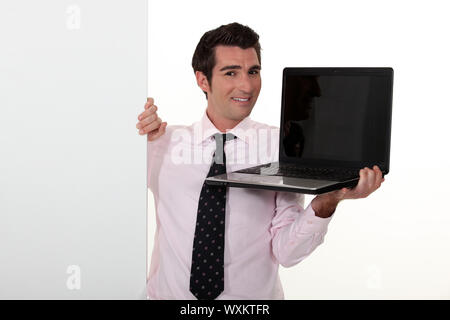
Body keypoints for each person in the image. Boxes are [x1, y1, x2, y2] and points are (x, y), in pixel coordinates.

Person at [136, 22, 384, 300]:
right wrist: (131, 131)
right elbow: (97, 183)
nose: (247, 85)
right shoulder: (162, 143)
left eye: (253, 71)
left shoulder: (282, 148)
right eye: (231, 72)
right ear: (202, 80)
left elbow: (287, 253)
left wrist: (326, 202)